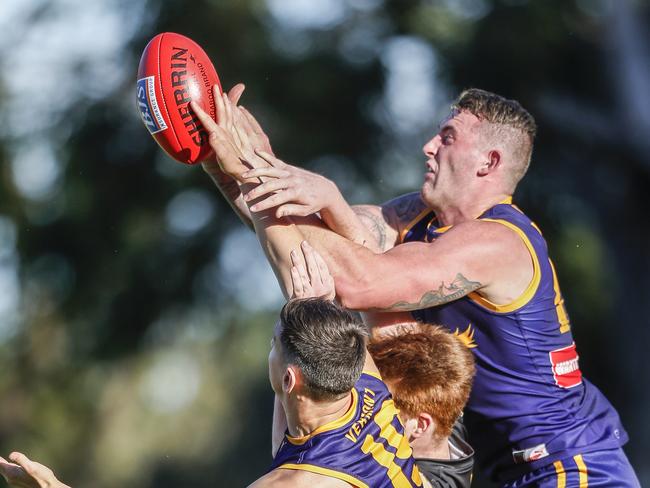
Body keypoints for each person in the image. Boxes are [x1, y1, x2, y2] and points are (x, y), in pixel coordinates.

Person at [191, 86, 640, 486]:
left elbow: (357, 282)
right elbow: (320, 246)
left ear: (490, 161)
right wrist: (231, 167)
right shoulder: (418, 216)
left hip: (571, 466)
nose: (429, 147)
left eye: (447, 138)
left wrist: (264, 176)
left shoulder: (499, 242)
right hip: (506, 469)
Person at [368, 324, 475, 488]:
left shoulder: (418, 480)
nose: (365, 407)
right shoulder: (444, 412)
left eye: (379, 406)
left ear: (419, 425)